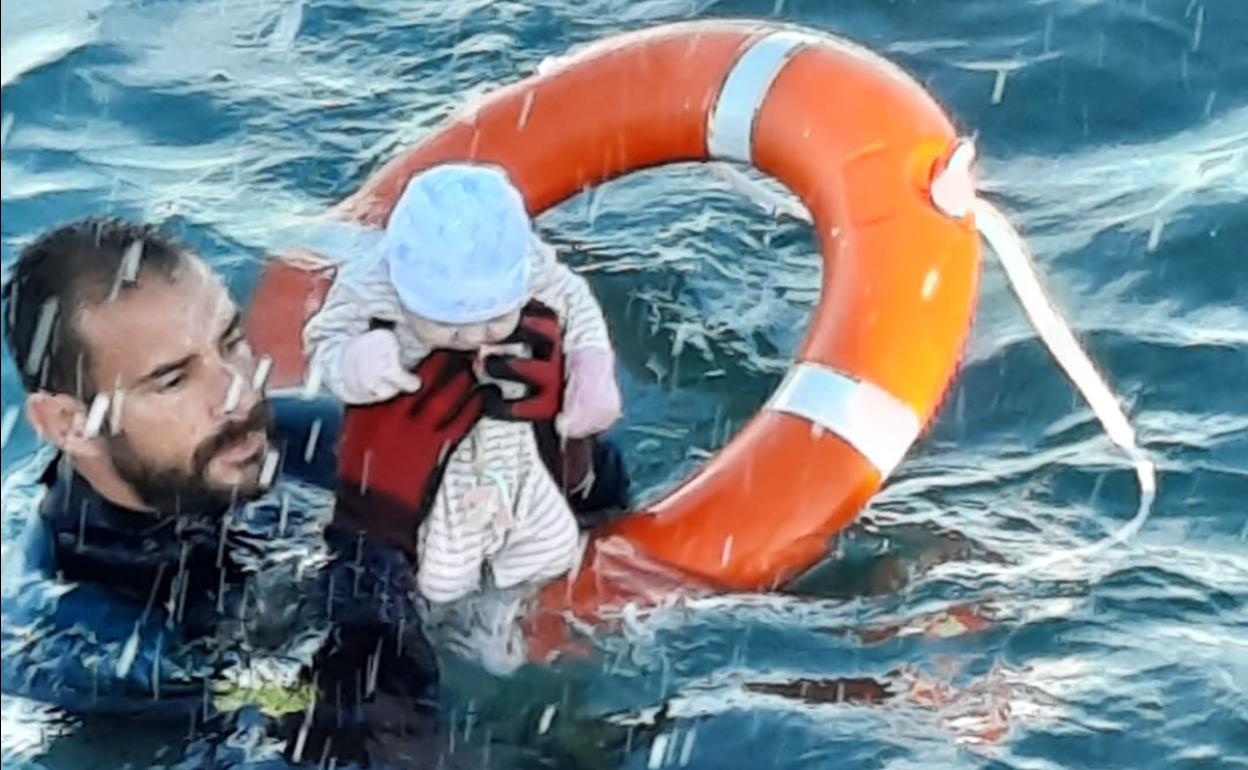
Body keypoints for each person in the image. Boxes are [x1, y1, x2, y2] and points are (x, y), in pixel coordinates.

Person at [0, 219, 462, 768]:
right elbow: (352, 722)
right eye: (173, 380)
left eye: (231, 342)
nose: (239, 395)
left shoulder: (263, 443)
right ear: (69, 423)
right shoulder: (79, 645)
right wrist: (376, 552)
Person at [302, 163, 625, 670]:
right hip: (407, 477)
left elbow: (579, 312)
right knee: (381, 595)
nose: (476, 338)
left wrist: (592, 375)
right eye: (450, 326)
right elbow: (327, 336)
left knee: (553, 527)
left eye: (495, 319)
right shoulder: (372, 282)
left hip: (516, 449)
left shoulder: (535, 269)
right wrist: (356, 359)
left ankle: (524, 608)